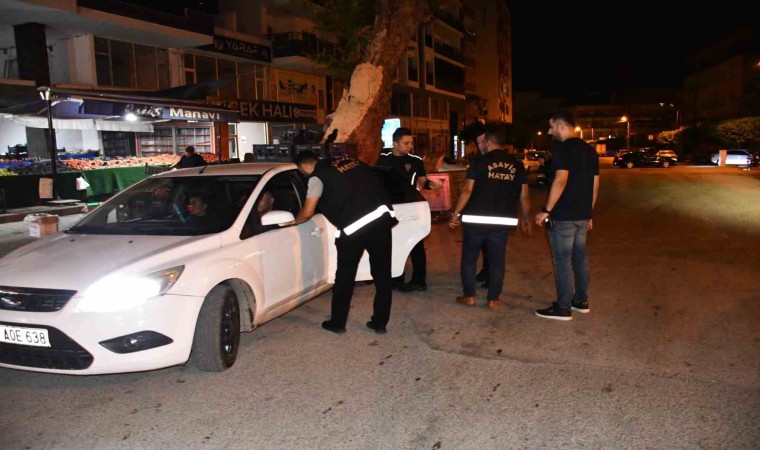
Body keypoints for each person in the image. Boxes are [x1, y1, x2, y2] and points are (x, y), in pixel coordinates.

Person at [294, 151, 395, 334]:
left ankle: (337, 323)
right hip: (381, 221)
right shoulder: (352, 161)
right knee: (382, 275)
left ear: (303, 167)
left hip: (354, 229)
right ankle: (380, 323)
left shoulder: (317, 177)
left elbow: (308, 212)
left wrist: (294, 222)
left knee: (345, 277)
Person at [449, 123, 531, 309]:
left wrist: (455, 213)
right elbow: (524, 196)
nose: (481, 146)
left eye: (483, 142)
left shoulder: (478, 163)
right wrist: (526, 218)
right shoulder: (517, 166)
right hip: (502, 222)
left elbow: (467, 190)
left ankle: (469, 296)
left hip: (475, 220)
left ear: (488, 142)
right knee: (497, 260)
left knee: (469, 259)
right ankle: (494, 298)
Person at [534, 111, 600, 321]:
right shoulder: (590, 151)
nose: (549, 131)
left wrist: (546, 210)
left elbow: (560, 180)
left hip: (563, 216)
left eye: (552, 126)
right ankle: (581, 300)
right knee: (580, 259)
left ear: (562, 126)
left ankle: (563, 307)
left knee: (562, 261)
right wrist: (588, 213)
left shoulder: (563, 149)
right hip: (582, 215)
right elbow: (595, 185)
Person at [376, 127, 440, 293]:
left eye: (411, 142)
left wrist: (430, 185)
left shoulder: (416, 160)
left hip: (410, 206)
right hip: (389, 207)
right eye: (406, 143)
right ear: (395, 143)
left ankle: (419, 280)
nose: (410, 146)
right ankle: (396, 278)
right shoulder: (381, 158)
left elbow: (423, 181)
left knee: (416, 244)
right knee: (392, 244)